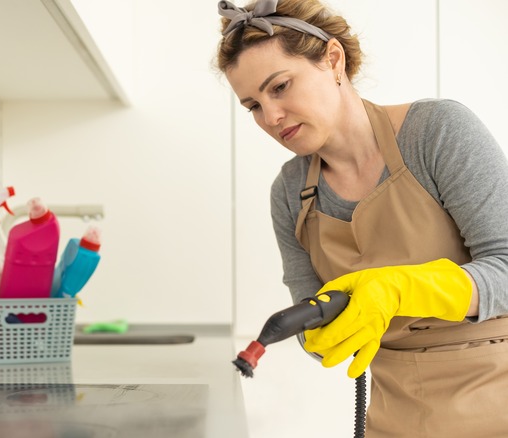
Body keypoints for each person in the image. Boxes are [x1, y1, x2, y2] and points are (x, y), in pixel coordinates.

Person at [215, 0, 508, 436]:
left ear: (333, 60)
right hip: (394, 414)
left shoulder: (436, 132)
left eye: (280, 87)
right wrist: (317, 333)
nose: (271, 117)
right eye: (253, 105)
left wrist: (399, 288)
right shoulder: (289, 194)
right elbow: (311, 323)